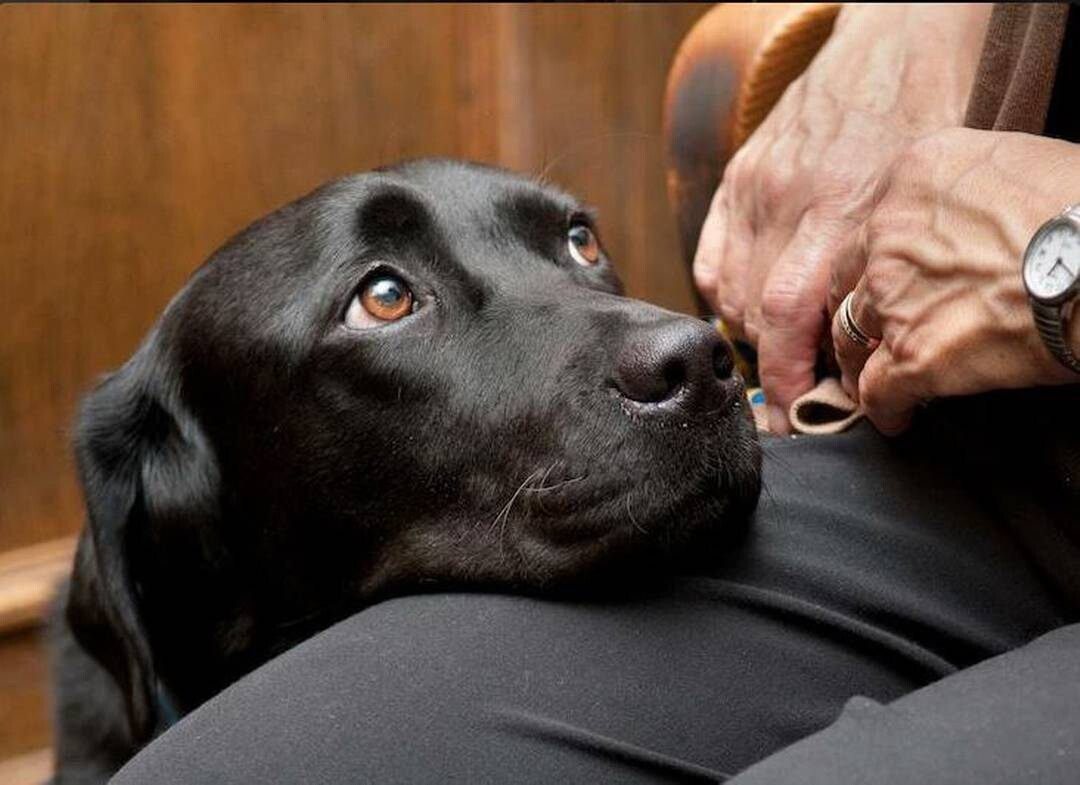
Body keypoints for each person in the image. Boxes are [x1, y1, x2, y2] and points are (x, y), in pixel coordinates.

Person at [109, 5, 1079, 784]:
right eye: (387, 297)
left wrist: (1056, 251)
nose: (673, 341)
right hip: (974, 461)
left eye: (578, 248)